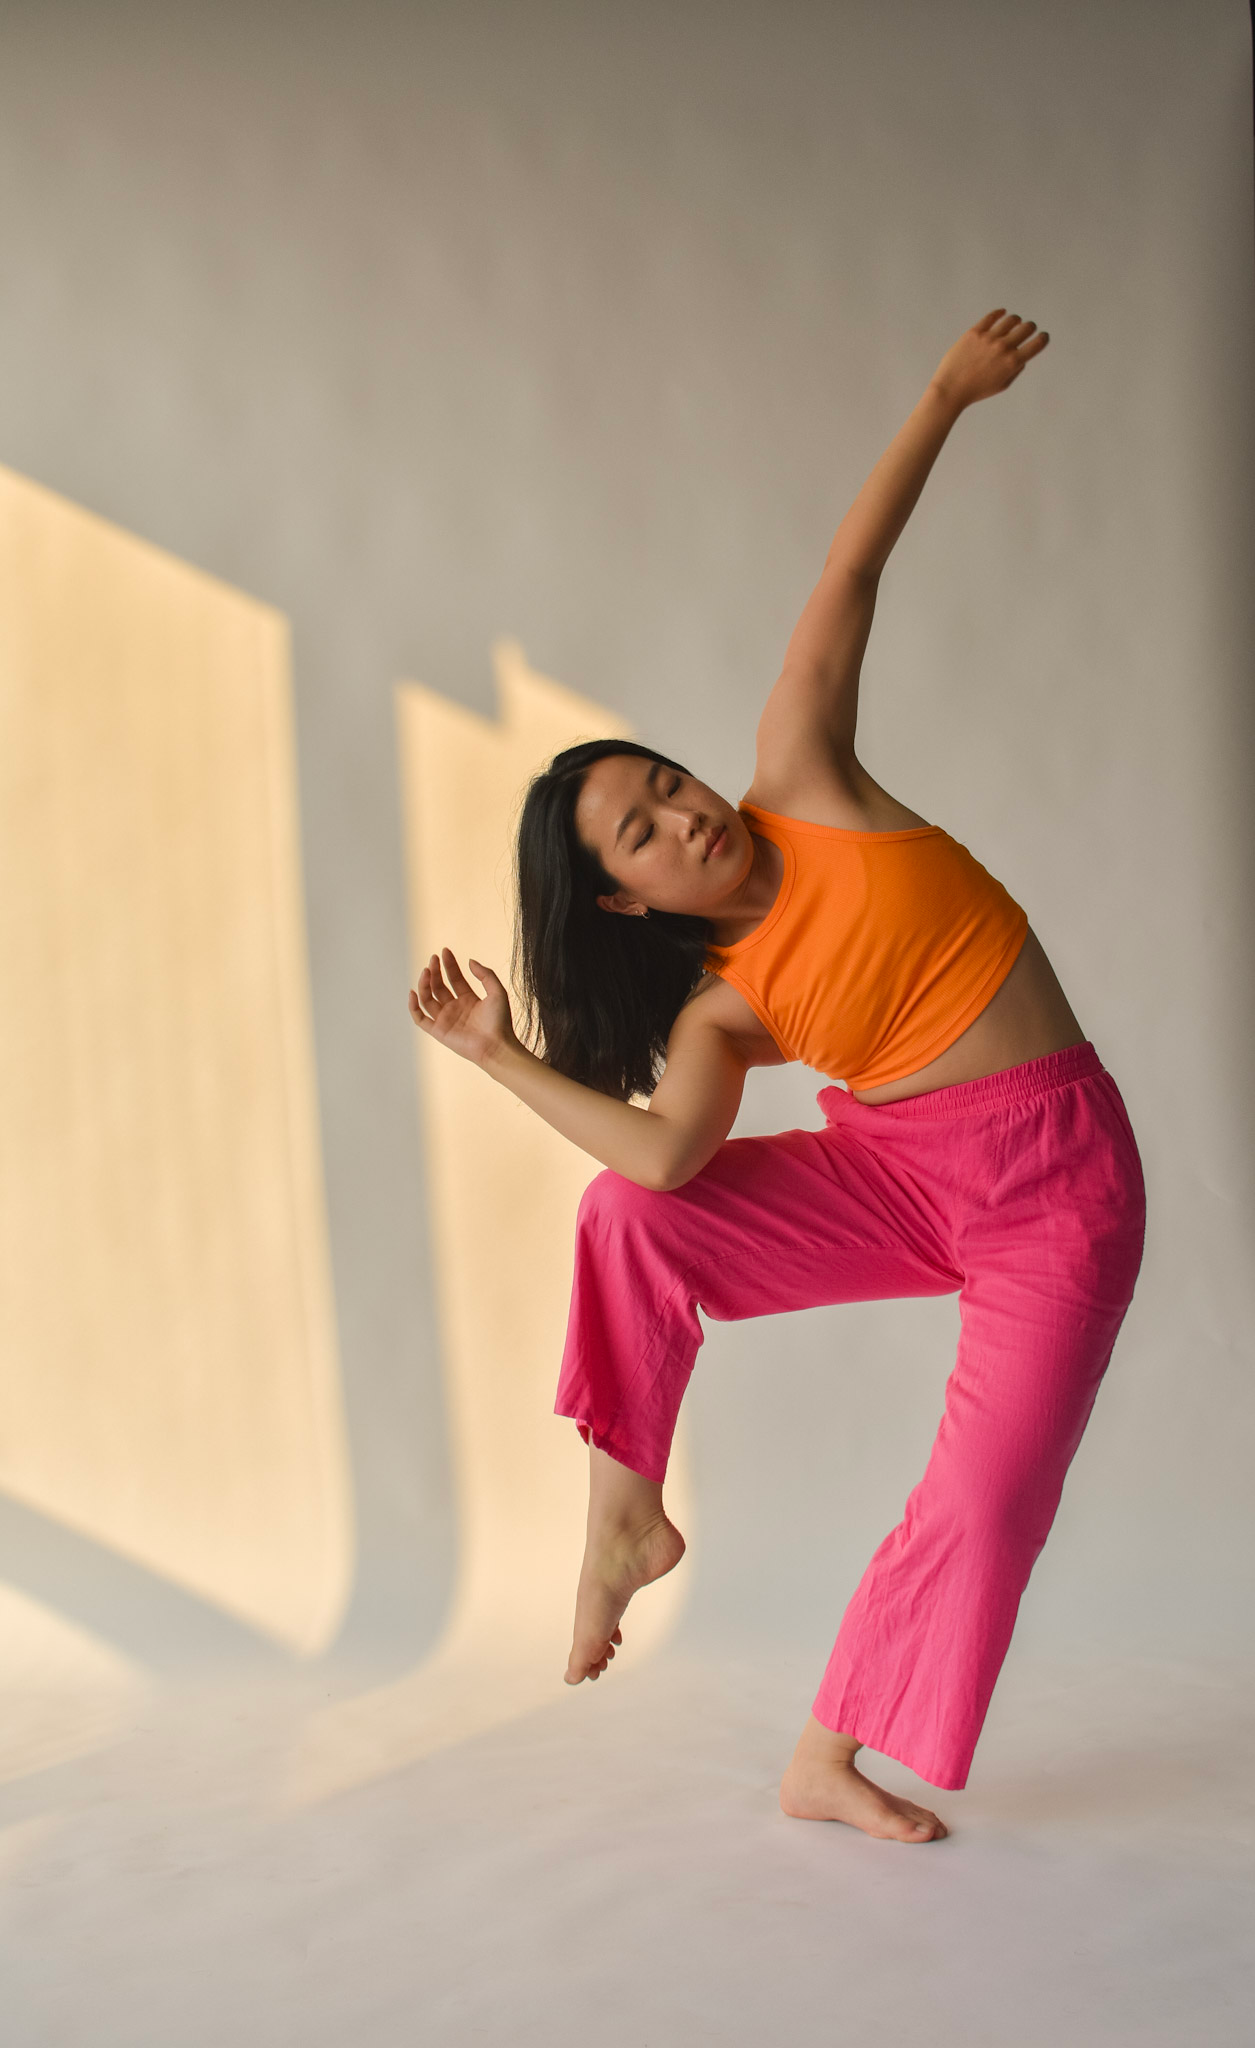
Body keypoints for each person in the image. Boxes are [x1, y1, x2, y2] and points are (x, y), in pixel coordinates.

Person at [408, 309, 1146, 1844]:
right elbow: (669, 1167)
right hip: (905, 1172)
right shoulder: (718, 1016)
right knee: (629, 1213)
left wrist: (945, 393)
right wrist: (498, 1058)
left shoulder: (804, 780)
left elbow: (848, 578)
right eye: (643, 834)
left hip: (1055, 1187)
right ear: (621, 899)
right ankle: (627, 1516)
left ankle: (830, 1745)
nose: (684, 819)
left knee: (989, 1501)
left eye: (666, 786)